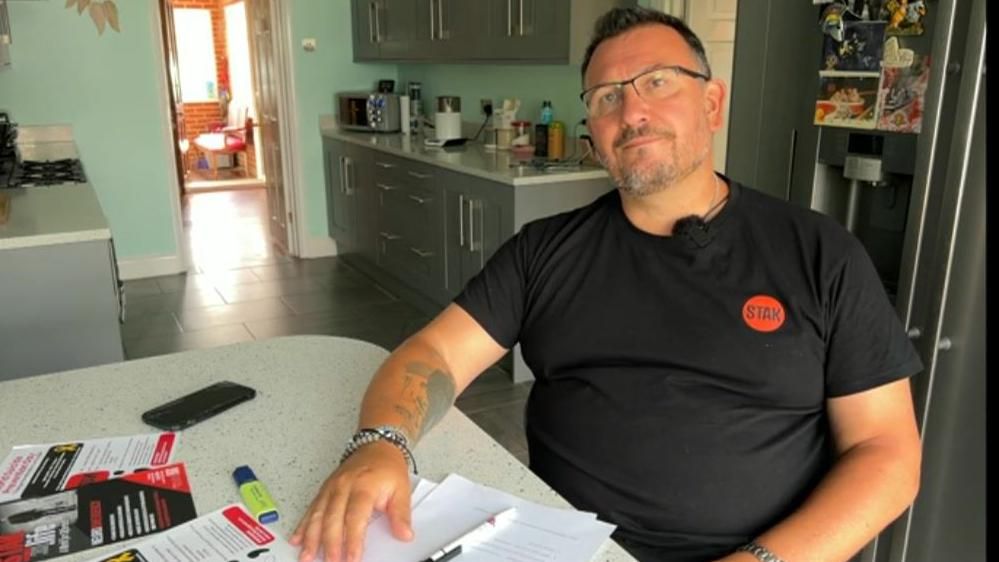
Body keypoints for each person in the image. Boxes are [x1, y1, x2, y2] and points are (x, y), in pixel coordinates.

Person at [290, 7, 923, 562]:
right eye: (607, 97)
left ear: (712, 102)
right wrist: (382, 443)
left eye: (657, 82)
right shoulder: (544, 253)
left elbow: (886, 454)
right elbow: (433, 355)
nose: (634, 111)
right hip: (569, 546)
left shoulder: (819, 253)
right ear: (593, 135)